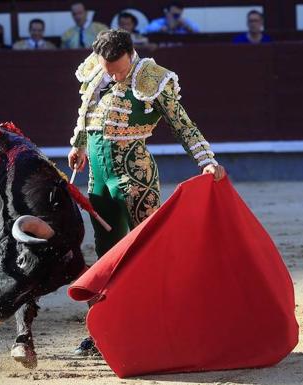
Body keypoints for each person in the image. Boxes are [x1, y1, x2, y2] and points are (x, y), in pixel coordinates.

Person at [67, 30, 225, 356]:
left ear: (131, 52)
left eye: (118, 68)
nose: (113, 75)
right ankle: (105, 331)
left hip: (135, 178)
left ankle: (161, 326)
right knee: (106, 257)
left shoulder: (153, 78)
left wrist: (206, 161)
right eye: (108, 68)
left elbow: (182, 124)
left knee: (147, 254)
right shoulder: (98, 71)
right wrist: (79, 146)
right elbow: (87, 114)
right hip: (98, 181)